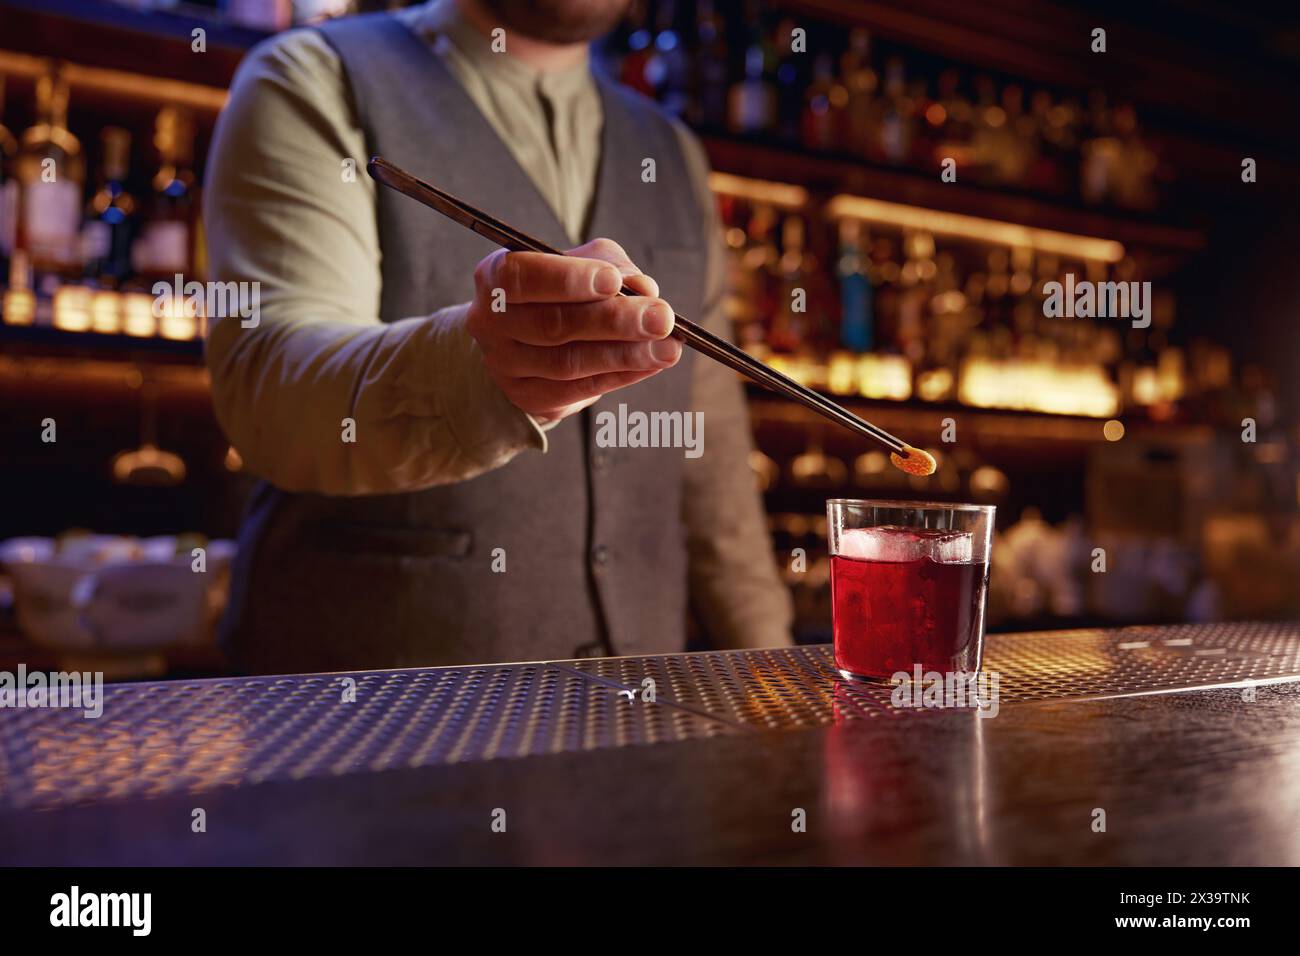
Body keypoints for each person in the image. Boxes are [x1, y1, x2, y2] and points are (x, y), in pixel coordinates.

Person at [204, 0, 792, 673]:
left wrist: (779, 695)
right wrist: (479, 373)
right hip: (366, 732)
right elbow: (269, 391)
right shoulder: (314, 76)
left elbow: (714, 473)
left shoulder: (674, 154)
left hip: (637, 732)